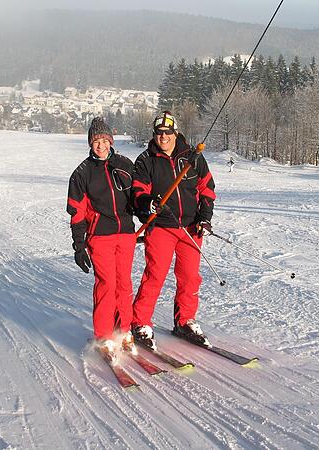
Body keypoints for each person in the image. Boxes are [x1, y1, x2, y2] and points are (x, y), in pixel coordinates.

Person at [131, 111, 216, 349]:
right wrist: (147, 203)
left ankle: (185, 321)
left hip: (190, 227)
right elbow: (138, 191)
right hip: (162, 228)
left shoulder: (192, 157)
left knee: (190, 277)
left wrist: (204, 217)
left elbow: (207, 188)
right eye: (159, 133)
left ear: (176, 133)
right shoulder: (146, 160)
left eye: (168, 133)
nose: (163, 137)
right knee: (155, 275)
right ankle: (140, 323)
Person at [66, 117, 136, 355]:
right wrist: (79, 245)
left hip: (126, 233)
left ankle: (124, 328)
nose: (101, 145)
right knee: (107, 284)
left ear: (111, 141)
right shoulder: (82, 174)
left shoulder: (125, 164)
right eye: (96, 141)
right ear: (90, 143)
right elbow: (77, 211)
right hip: (100, 236)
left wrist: (148, 209)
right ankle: (104, 335)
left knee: (124, 282)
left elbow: (137, 196)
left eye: (104, 140)